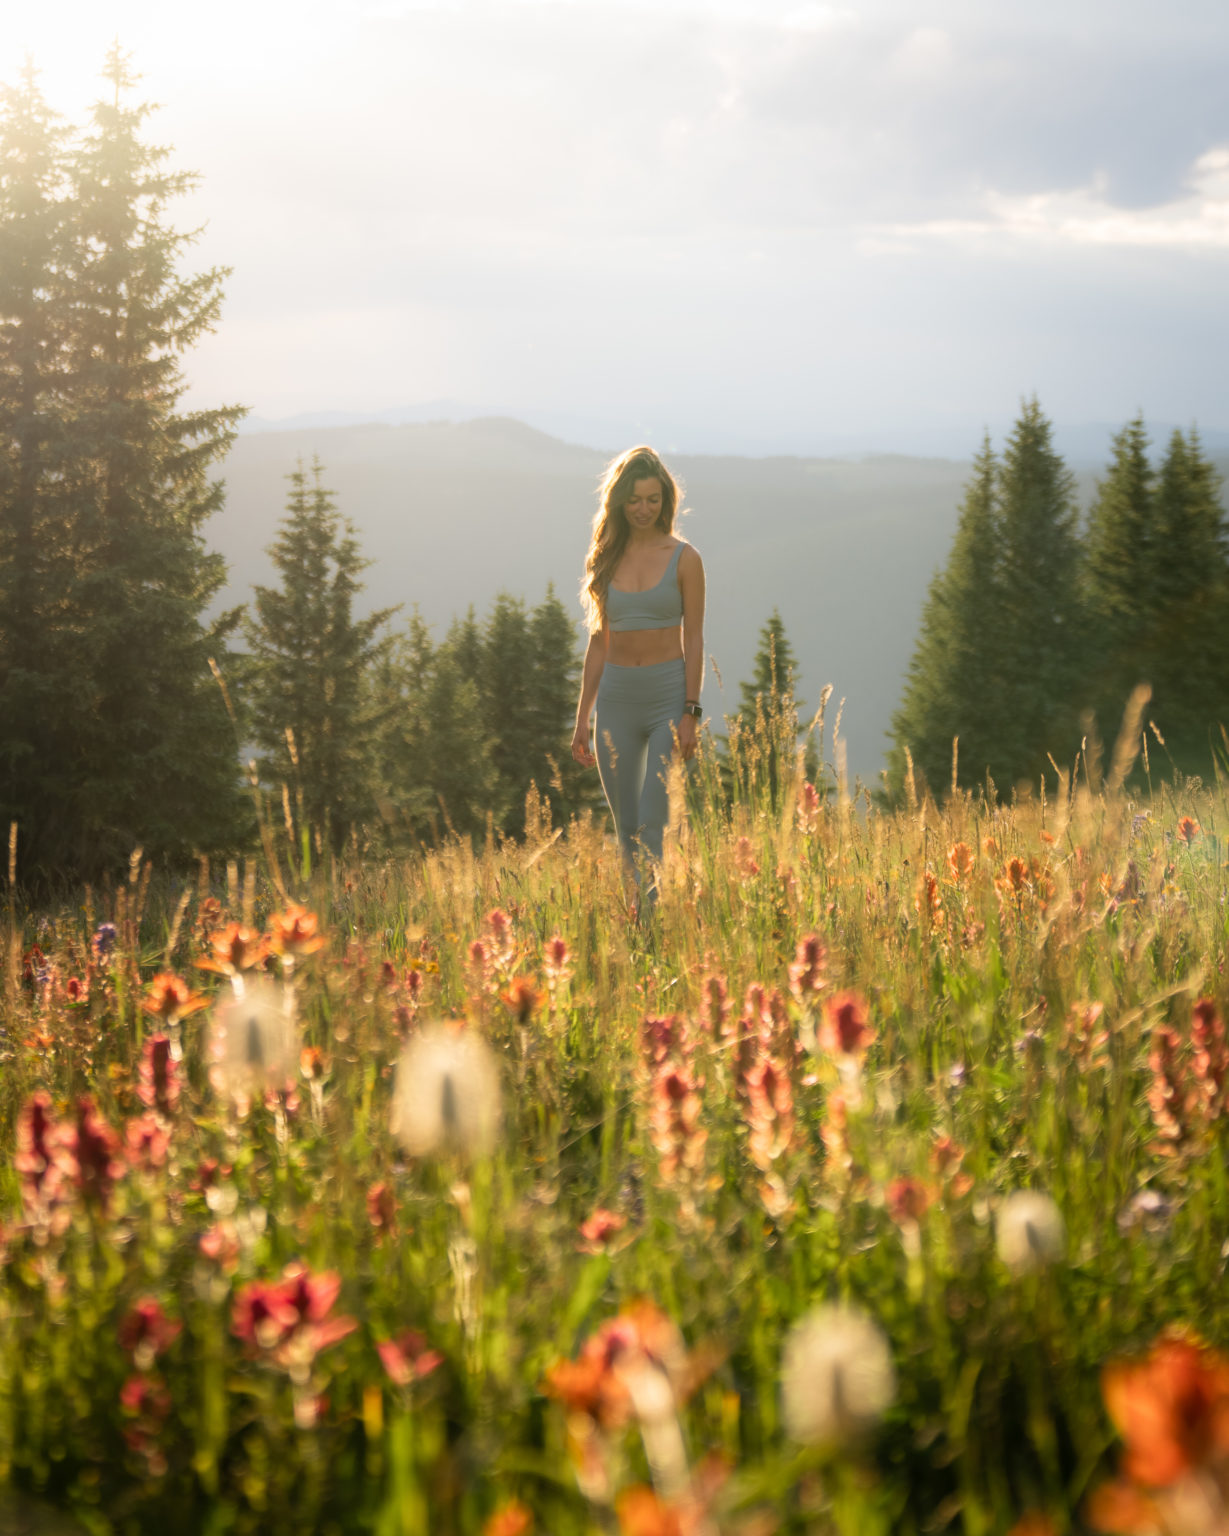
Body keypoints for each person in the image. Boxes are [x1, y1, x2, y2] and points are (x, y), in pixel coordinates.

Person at [571, 445, 705, 907]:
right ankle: (639, 917)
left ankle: (650, 917)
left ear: (666, 500)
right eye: (634, 499)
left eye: (652, 499)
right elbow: (598, 643)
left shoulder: (685, 559)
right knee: (626, 824)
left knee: (653, 818)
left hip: (668, 697)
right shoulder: (605, 558)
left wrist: (691, 711)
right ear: (619, 502)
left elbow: (696, 640)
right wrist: (582, 719)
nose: (643, 508)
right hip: (616, 701)